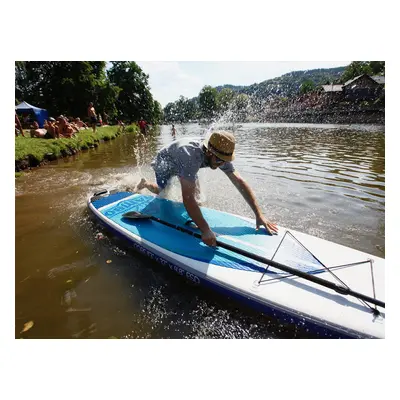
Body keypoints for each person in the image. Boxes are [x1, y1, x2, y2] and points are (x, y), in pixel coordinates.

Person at [135, 131, 278, 247]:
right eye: (220, 161)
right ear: (209, 152)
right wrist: (205, 230)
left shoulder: (220, 154)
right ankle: (146, 183)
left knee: (198, 197)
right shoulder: (191, 157)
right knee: (163, 191)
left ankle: (196, 214)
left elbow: (239, 181)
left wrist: (259, 214)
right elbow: (188, 199)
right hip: (165, 162)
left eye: (225, 161)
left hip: (185, 162)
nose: (222, 164)